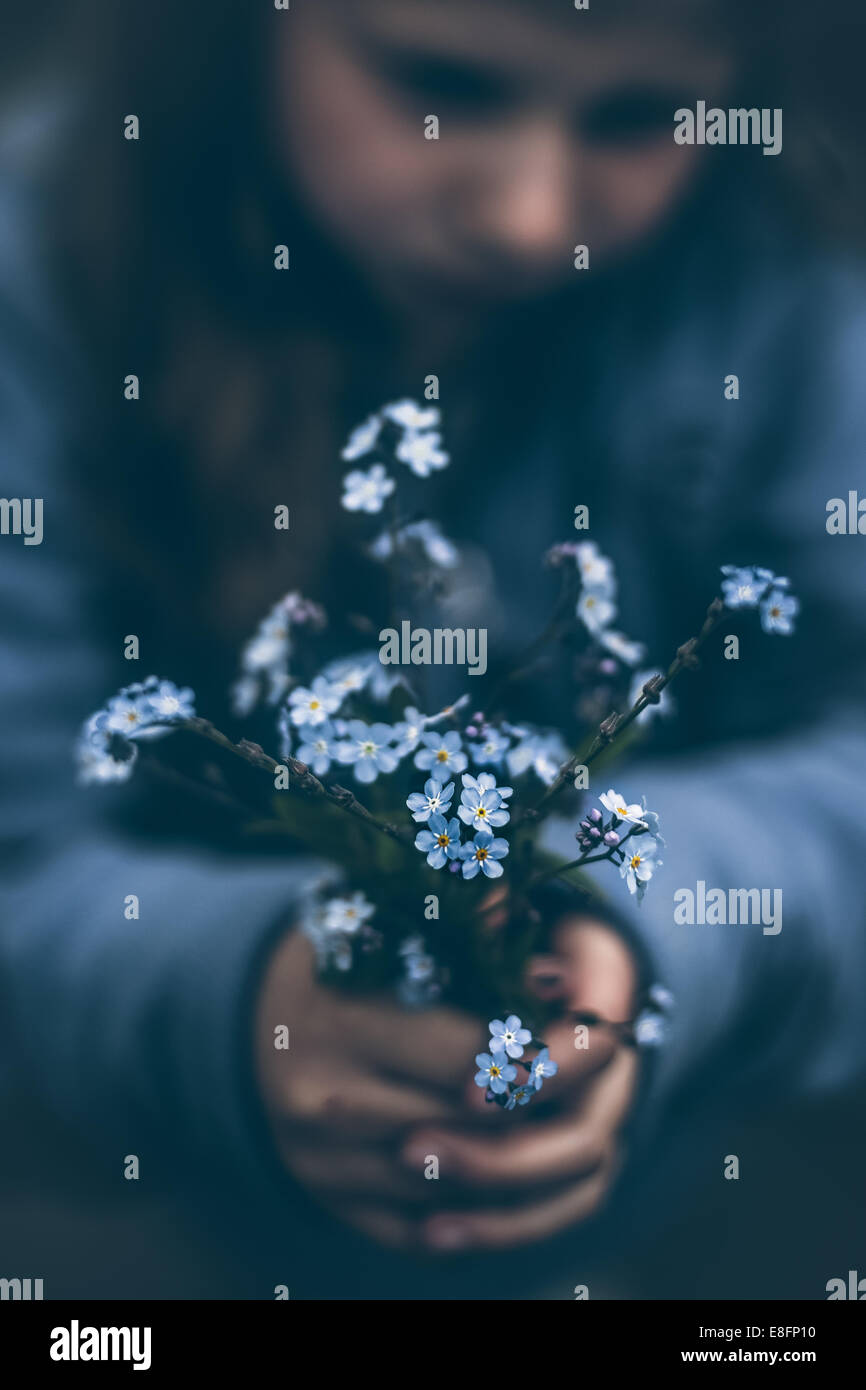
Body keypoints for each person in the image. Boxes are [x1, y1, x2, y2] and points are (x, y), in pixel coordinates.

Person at [1, 0, 865, 1296]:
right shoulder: (43, 273)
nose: (524, 215)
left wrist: (636, 916)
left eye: (636, 115)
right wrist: (246, 1005)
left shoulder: (785, 275)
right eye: (443, 84)